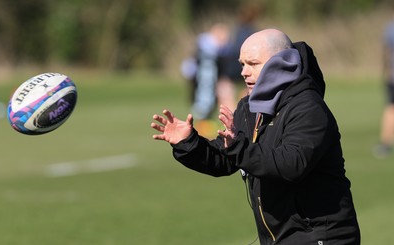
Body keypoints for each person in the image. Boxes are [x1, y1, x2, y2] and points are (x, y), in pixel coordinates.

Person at [152, 29, 360, 244]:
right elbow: (225, 158)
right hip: (279, 238)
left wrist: (237, 147)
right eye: (242, 64)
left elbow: (292, 164)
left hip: (321, 237)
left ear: (282, 62)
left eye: (253, 63)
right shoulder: (250, 107)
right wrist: (188, 142)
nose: (243, 72)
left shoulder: (308, 107)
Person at [181, 23, 229, 138]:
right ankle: (201, 128)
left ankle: (204, 126)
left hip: (207, 81)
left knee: (208, 103)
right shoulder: (207, 48)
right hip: (204, 82)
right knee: (204, 103)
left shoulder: (208, 47)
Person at [374, 13, 394, 158]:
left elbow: (386, 53)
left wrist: (385, 71)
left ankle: (385, 144)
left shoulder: (390, 28)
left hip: (392, 76)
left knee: (390, 108)